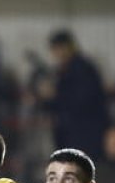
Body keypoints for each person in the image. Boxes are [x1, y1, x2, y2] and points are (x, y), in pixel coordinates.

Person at [41, 30, 109, 160]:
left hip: (86, 134)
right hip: (69, 134)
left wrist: (56, 95)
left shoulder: (83, 69)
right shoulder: (63, 71)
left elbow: (82, 101)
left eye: (59, 48)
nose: (56, 54)